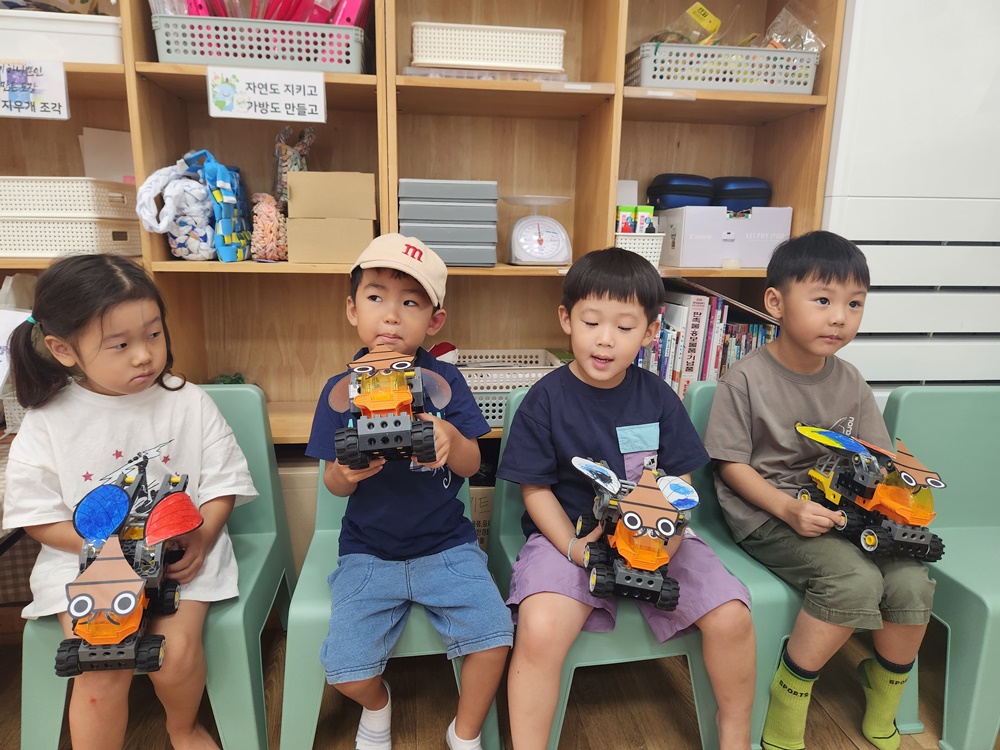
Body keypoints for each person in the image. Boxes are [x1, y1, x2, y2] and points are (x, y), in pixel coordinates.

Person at [496, 247, 756, 750]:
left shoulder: (658, 396)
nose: (605, 338)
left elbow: (679, 481)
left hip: (658, 537)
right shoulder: (544, 400)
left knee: (732, 616)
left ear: (651, 332)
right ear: (566, 319)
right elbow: (535, 489)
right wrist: (572, 547)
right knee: (540, 626)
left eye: (624, 326)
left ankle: (735, 737)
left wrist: (669, 539)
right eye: (591, 322)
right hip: (572, 536)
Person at [2, 254, 257, 750]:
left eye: (154, 334)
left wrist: (204, 535)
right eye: (120, 344)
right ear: (63, 349)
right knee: (100, 667)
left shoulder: (188, 401)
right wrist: (106, 553)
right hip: (82, 563)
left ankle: (183, 728)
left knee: (174, 655)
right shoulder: (47, 420)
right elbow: (37, 517)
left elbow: (222, 484)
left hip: (179, 557)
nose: (144, 355)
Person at [703, 231, 934, 750]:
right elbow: (730, 466)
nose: (840, 318)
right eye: (824, 300)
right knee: (854, 580)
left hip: (845, 512)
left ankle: (885, 689)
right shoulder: (745, 378)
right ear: (776, 303)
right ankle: (789, 695)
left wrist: (900, 495)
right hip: (769, 514)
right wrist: (788, 508)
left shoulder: (851, 379)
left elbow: (877, 458)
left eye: (854, 304)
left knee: (911, 582)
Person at [306, 234, 513, 750]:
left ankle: (464, 733)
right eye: (376, 297)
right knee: (344, 671)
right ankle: (378, 705)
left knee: (495, 639)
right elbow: (332, 482)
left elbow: (472, 463)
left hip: (446, 545)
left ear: (434, 321)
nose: (391, 316)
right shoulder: (340, 389)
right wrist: (346, 473)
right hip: (368, 551)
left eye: (411, 303)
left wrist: (449, 438)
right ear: (352, 309)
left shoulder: (445, 382)